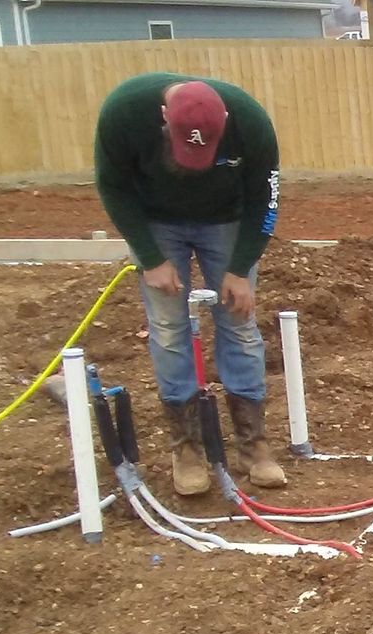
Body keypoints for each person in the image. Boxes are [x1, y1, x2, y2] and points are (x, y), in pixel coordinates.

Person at [94, 73, 284, 494]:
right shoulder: (123, 112)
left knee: (239, 321)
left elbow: (266, 199)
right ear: (163, 117)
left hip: (227, 220)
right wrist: (150, 257)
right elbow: (113, 186)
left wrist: (241, 267)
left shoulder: (250, 121)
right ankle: (187, 449)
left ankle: (254, 447)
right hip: (157, 220)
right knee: (168, 328)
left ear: (226, 120)